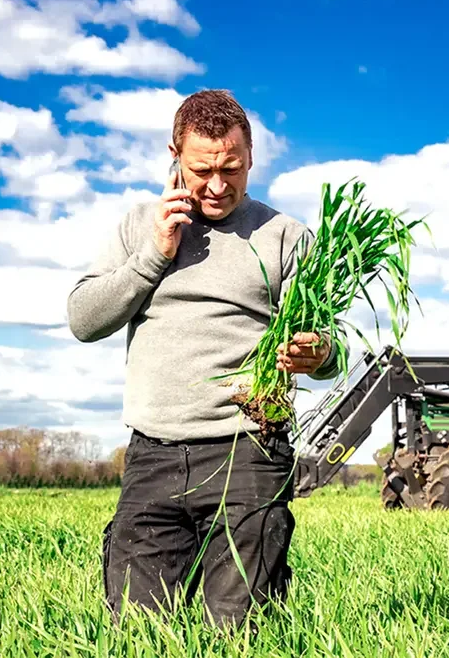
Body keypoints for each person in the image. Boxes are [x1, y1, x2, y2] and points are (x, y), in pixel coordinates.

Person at [66, 89, 346, 628]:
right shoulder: (139, 226)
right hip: (154, 455)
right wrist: (156, 255)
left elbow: (333, 345)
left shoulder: (285, 235)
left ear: (252, 158)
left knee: (241, 630)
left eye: (232, 168)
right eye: (202, 169)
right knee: (137, 630)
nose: (218, 186)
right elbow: (83, 321)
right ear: (174, 154)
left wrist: (321, 352)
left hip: (247, 453)